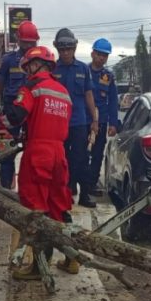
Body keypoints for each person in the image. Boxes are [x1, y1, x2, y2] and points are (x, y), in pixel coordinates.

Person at [4, 46, 73, 280]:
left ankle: (38, 268)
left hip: (38, 151)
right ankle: (72, 258)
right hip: (59, 153)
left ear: (36, 65)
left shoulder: (32, 88)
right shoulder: (63, 91)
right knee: (58, 206)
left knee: (37, 210)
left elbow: (16, 116)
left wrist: (0, 118)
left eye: (28, 67)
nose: (27, 71)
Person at [0, 20, 39, 189]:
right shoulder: (8, 60)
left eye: (32, 43)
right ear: (18, 40)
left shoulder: (41, 61)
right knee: (7, 153)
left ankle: (30, 191)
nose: (29, 46)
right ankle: (6, 191)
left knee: (34, 153)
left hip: (32, 112)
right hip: (11, 111)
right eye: (26, 42)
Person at [53, 28, 99, 208]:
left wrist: (94, 121)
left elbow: (89, 95)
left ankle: (85, 195)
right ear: (57, 49)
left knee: (81, 159)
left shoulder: (83, 69)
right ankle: (65, 193)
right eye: (62, 50)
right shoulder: (53, 69)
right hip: (58, 123)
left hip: (79, 123)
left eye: (68, 49)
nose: (65, 53)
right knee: (60, 160)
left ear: (74, 48)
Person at [87, 38, 119, 196]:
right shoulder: (83, 71)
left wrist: (113, 123)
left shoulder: (109, 77)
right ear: (92, 53)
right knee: (79, 153)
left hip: (102, 120)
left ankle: (92, 184)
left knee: (98, 153)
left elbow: (113, 100)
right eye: (99, 54)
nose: (101, 58)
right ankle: (73, 183)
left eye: (105, 56)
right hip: (83, 119)